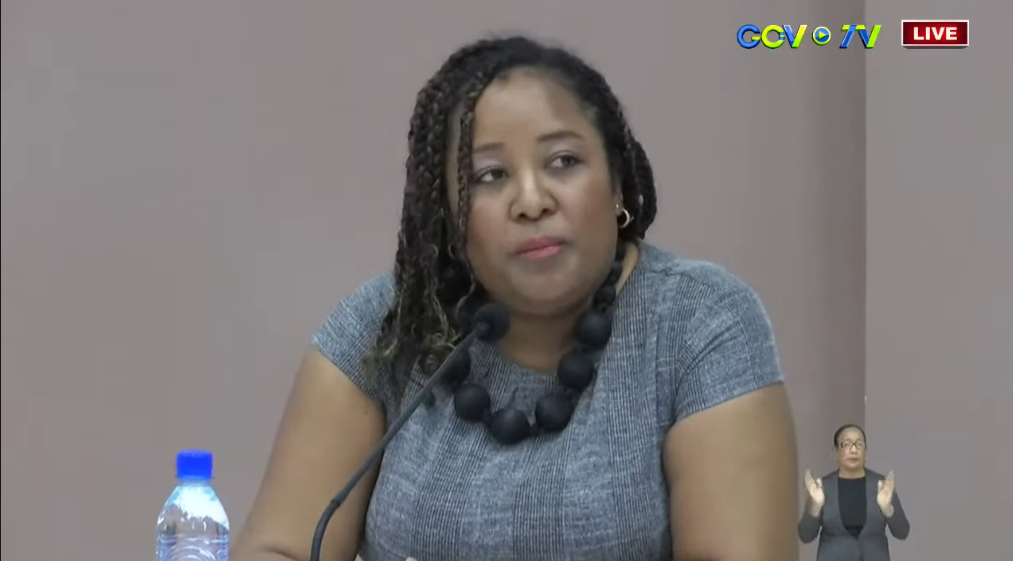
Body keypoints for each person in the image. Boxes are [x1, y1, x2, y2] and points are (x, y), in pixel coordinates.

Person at [232, 35, 799, 561]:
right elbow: (280, 548)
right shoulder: (387, 324)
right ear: (450, 215)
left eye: (563, 162)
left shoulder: (701, 323)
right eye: (490, 175)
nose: (531, 201)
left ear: (617, 183)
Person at [798, 424, 911, 560]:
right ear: (835, 453)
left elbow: (902, 532)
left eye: (859, 444)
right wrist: (815, 506)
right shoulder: (822, 487)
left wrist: (888, 509)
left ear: (866, 453)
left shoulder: (882, 486)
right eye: (846, 444)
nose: (854, 450)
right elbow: (805, 536)